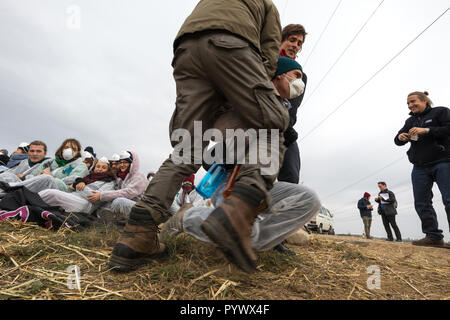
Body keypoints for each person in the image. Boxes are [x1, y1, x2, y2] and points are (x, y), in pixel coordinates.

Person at [108, 0, 290, 273]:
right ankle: (238, 213)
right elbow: (268, 52)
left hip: (186, 50)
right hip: (233, 45)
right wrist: (246, 94)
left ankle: (138, 233)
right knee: (273, 124)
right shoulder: (266, 5)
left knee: (187, 147)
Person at [161, 172, 321, 254]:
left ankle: (250, 235)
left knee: (310, 200)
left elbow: (289, 169)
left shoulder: (282, 119)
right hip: (231, 180)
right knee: (239, 231)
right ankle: (186, 217)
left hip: (264, 183)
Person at [395, 91, 450, 247]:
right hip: (419, 166)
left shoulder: (440, 111)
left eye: (413, 101)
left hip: (443, 161)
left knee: (449, 199)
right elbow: (397, 140)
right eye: (408, 103)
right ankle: (433, 236)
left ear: (424, 100)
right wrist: (401, 137)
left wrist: (426, 130)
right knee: (422, 202)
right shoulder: (410, 120)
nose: (410, 105)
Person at [278, 24, 308, 184]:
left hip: (282, 127)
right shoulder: (265, 62)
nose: (295, 45)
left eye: (299, 43)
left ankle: (283, 206)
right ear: (282, 40)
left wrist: (286, 127)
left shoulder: (300, 76)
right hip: (253, 121)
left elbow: (292, 109)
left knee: (291, 175)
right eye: (292, 40)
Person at [5, 138, 89, 193]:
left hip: (54, 192)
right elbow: (35, 175)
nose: (69, 151)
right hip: (35, 186)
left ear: (78, 152)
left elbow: (69, 187)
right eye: (66, 147)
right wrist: (24, 177)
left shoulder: (80, 166)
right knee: (9, 175)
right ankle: (8, 187)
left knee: (47, 178)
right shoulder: (51, 162)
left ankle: (10, 188)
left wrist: (50, 176)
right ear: (62, 148)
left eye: (73, 149)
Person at [38, 157, 116, 214]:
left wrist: (77, 186)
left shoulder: (109, 182)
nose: (100, 169)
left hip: (85, 204)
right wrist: (78, 181)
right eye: (98, 166)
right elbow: (67, 180)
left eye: (104, 167)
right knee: (50, 191)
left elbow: (95, 197)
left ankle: (29, 199)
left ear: (108, 170)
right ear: (94, 168)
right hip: (74, 196)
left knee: (52, 194)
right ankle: (31, 201)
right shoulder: (88, 177)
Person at [97, 151, 148, 220]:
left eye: (125, 162)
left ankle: (118, 218)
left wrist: (102, 195)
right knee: (106, 204)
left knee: (119, 201)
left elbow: (128, 193)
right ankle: (110, 217)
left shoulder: (139, 176)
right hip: (130, 205)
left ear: (132, 163)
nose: (122, 165)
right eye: (120, 162)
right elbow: (117, 192)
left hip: (142, 208)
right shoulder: (123, 178)